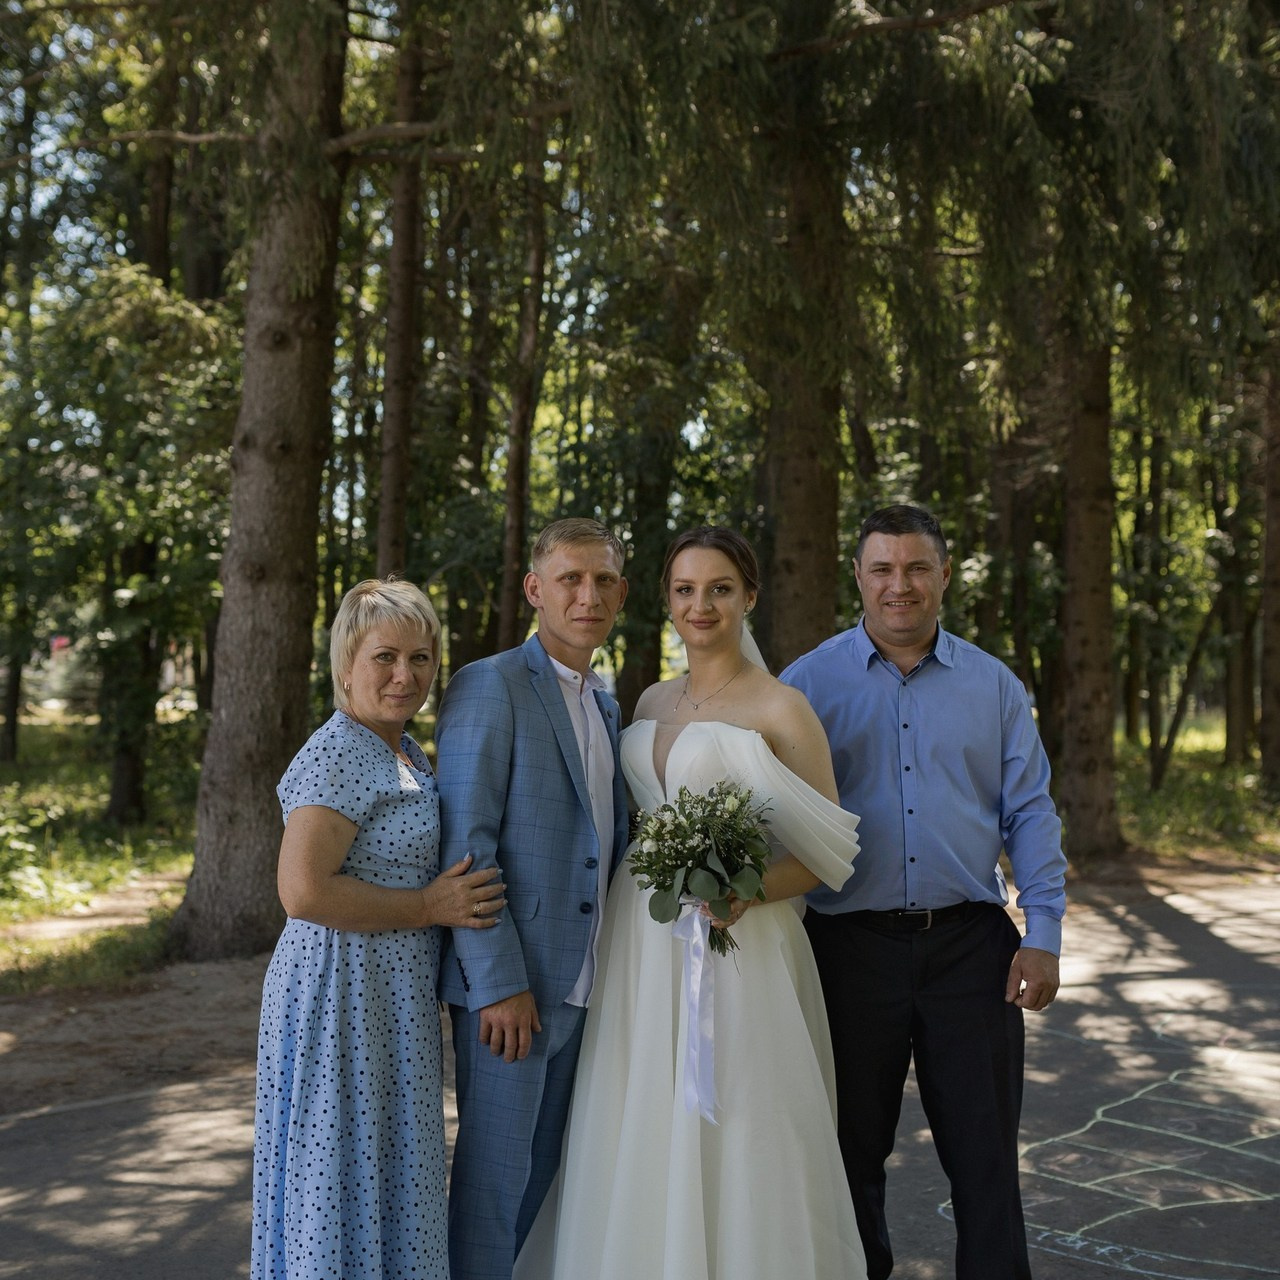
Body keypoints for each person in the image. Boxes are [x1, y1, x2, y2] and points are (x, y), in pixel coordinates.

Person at [515, 526, 867, 1280]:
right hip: (640, 950)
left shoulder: (782, 708)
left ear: (748, 597)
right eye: (684, 590)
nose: (699, 605)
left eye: (718, 589)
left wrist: (742, 892)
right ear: (667, 602)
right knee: (640, 1114)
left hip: (738, 950)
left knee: (738, 1121)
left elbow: (827, 856)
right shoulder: (646, 697)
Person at [780, 504, 1067, 1280]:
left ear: (944, 575)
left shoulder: (995, 687)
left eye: (915, 568)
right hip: (845, 950)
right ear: (859, 577)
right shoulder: (803, 686)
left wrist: (1043, 932)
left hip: (972, 949)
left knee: (985, 1161)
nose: (898, 585)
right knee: (848, 1158)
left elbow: (1030, 811)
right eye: (882, 569)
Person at [251, 578, 505, 1280]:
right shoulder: (340, 750)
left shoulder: (407, 751)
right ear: (345, 667)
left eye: (421, 659)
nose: (405, 676)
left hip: (390, 998)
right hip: (340, 993)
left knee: (388, 1164)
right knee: (339, 1168)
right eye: (385, 658)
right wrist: (429, 908)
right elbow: (301, 891)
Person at [436, 517, 632, 1280]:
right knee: (492, 1184)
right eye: (571, 579)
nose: (589, 595)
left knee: (543, 1181)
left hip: (584, 986)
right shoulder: (491, 684)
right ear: (535, 590)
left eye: (604, 580)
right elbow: (467, 845)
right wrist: (498, 982)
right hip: (512, 994)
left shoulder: (606, 705)